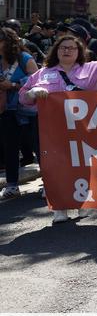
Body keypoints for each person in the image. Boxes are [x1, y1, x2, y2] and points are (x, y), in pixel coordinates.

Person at [19, 35, 97, 223]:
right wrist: (31, 93)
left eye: (71, 48)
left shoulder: (90, 68)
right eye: (62, 47)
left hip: (82, 128)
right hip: (50, 129)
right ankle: (60, 206)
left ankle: (82, 202)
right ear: (56, 51)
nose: (67, 51)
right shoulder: (42, 73)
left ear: (79, 52)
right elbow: (23, 97)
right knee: (53, 166)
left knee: (82, 165)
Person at [0, 29, 38, 202]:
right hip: (6, 111)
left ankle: (49, 183)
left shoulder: (24, 58)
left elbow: (37, 81)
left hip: (27, 111)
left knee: (37, 146)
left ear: (7, 41)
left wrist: (13, 85)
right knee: (10, 149)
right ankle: (12, 185)